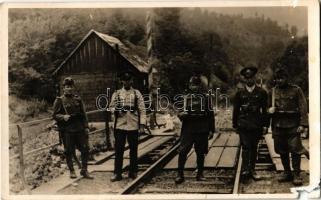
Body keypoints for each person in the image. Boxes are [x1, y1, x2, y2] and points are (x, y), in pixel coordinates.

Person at [267, 68, 309, 186]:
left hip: (293, 125)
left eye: (282, 78)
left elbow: (303, 107)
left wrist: (303, 124)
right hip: (278, 125)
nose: (279, 81)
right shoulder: (273, 92)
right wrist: (269, 110)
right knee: (281, 150)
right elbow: (266, 108)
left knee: (295, 150)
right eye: (277, 78)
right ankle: (287, 172)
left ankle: (296, 174)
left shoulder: (296, 90)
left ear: (287, 78)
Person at [175, 75, 215, 184]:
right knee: (183, 151)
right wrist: (182, 115)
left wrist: (212, 129)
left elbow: (211, 114)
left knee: (200, 152)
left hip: (202, 128)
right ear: (189, 86)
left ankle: (200, 174)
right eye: (192, 85)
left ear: (199, 86)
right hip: (188, 128)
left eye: (196, 85)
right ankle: (180, 174)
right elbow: (179, 112)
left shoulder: (206, 98)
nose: (194, 87)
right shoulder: (185, 98)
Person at [232, 65, 269, 183]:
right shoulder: (239, 93)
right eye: (247, 78)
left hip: (256, 124)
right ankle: (245, 170)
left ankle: (252, 170)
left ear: (255, 78)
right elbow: (236, 110)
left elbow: (265, 110)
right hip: (243, 124)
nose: (249, 80)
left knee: (254, 147)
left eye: (251, 77)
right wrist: (234, 125)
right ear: (244, 79)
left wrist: (265, 125)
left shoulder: (262, 92)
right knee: (246, 147)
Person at [109, 71, 146, 182]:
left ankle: (133, 171)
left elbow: (142, 109)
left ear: (131, 81)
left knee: (133, 149)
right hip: (120, 125)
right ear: (122, 81)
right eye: (124, 80)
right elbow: (111, 108)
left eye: (129, 80)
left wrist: (142, 125)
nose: (127, 82)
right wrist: (117, 110)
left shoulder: (136, 93)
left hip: (133, 125)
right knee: (119, 150)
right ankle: (117, 173)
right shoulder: (117, 93)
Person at [52, 77, 93, 179]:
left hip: (79, 129)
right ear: (63, 88)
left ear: (73, 87)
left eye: (70, 86)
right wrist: (63, 117)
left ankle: (84, 170)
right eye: (67, 87)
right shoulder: (59, 100)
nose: (69, 88)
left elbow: (84, 114)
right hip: (68, 130)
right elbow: (54, 115)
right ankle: (72, 171)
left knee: (85, 149)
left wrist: (86, 127)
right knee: (68, 151)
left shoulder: (78, 99)